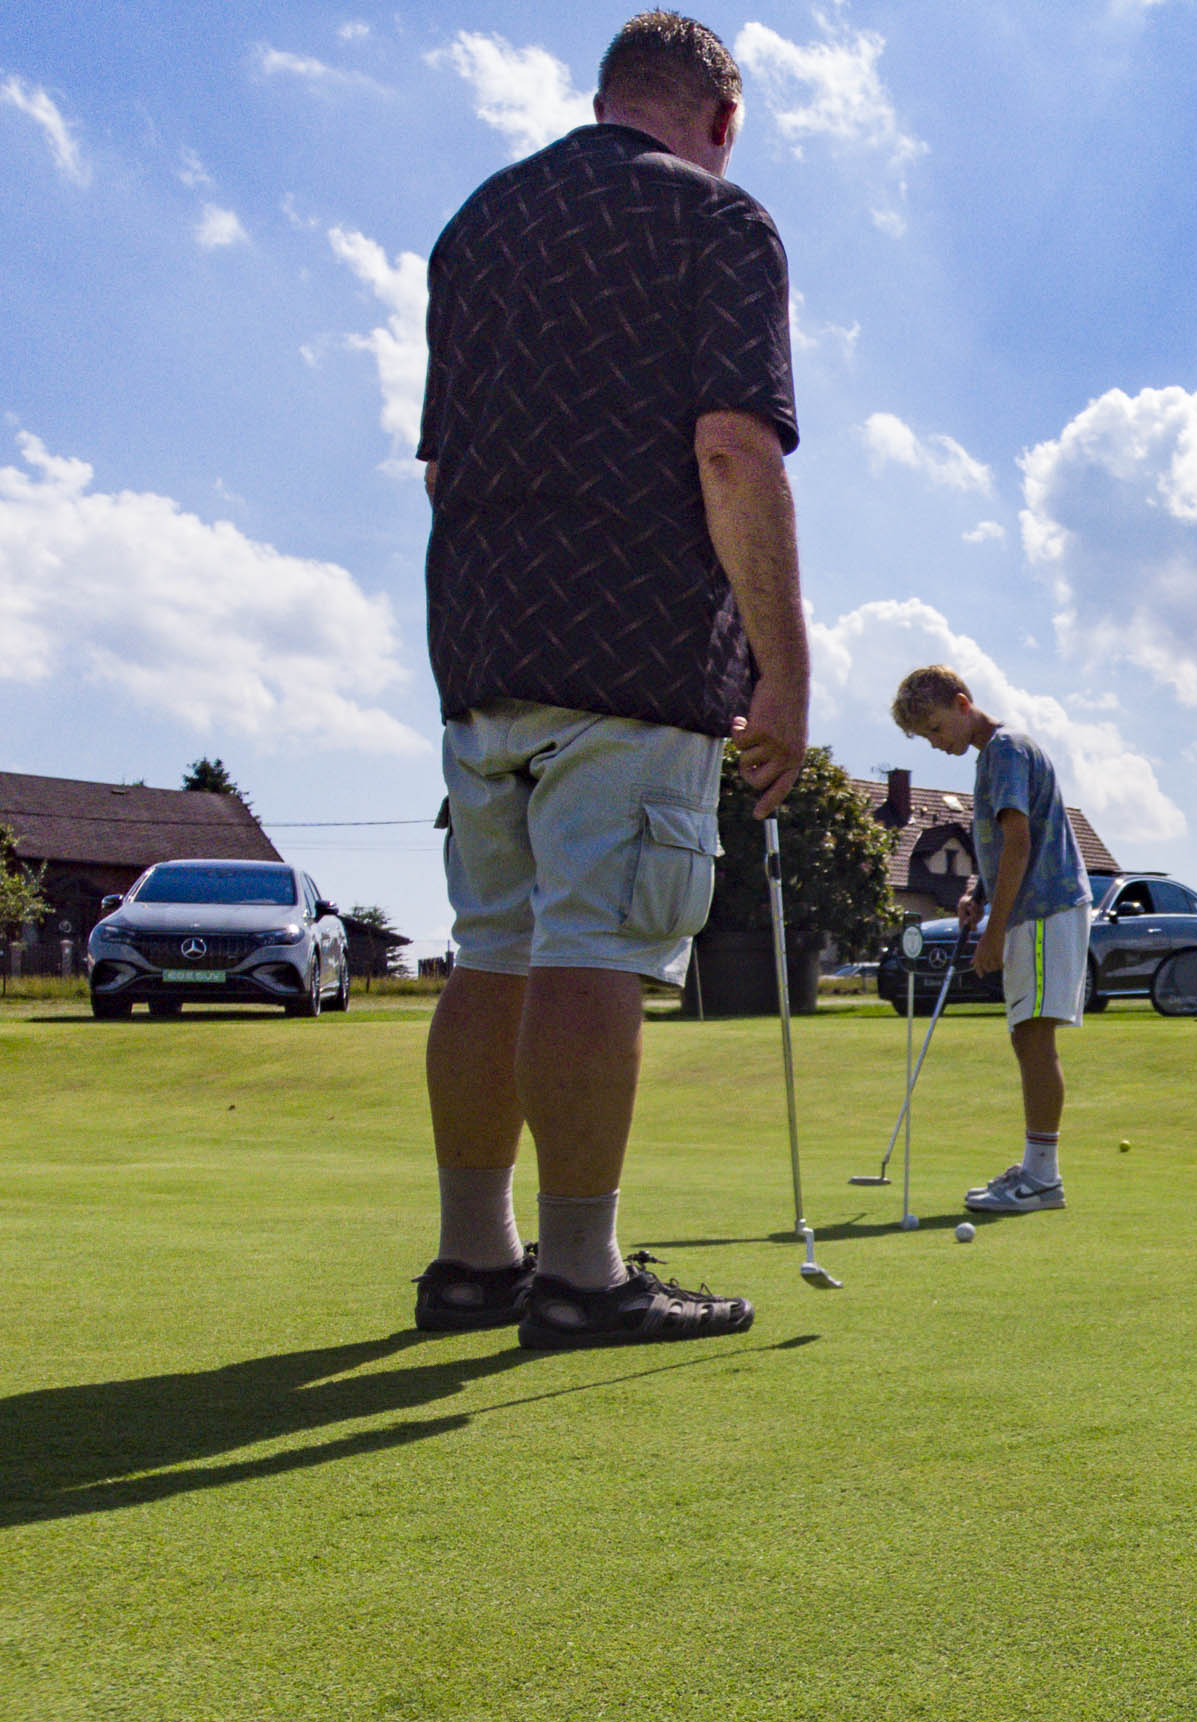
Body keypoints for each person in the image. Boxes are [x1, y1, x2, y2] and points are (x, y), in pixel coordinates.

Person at [413, 11, 804, 1349]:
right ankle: (581, 1272)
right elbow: (733, 448)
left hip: (479, 638)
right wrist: (786, 674)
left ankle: (477, 1259)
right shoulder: (720, 223)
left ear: (602, 98)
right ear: (721, 119)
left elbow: (435, 464)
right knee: (592, 944)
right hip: (632, 645)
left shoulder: (479, 227)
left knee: (493, 946)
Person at [889, 666, 1088, 1216]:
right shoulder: (995, 755)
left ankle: (1043, 1178)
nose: (936, 742)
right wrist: (977, 891)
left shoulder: (1004, 751)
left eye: (935, 728)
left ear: (961, 703)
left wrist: (993, 932)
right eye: (926, 736)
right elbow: (1003, 846)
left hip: (1045, 909)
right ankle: (1036, 1169)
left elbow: (1020, 842)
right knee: (1027, 1037)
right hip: (1036, 911)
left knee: (1033, 1036)